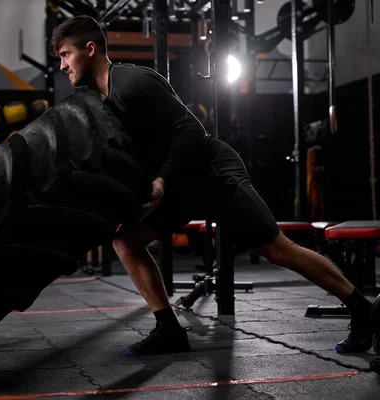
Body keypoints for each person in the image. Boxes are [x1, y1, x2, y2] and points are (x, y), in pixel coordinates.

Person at [49, 15, 375, 357]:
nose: (62, 65)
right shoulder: (101, 100)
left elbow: (190, 130)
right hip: (181, 186)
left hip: (211, 172)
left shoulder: (132, 81)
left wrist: (162, 180)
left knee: (277, 249)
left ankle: (361, 308)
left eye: (66, 55)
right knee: (126, 240)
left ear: (90, 49)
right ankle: (168, 329)